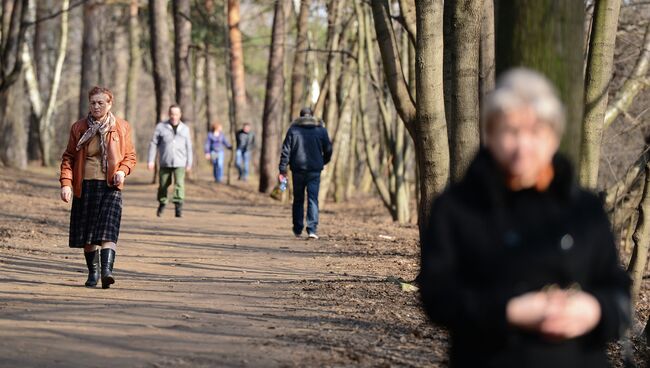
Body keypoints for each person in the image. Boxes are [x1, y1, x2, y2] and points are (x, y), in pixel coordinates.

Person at [419, 68, 631, 368]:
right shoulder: (457, 207)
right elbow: (437, 297)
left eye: (536, 133)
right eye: (510, 131)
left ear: (555, 138)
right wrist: (510, 311)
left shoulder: (583, 208)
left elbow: (618, 291)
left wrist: (594, 310)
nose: (523, 147)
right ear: (489, 134)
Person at [60, 86, 136, 289]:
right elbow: (68, 157)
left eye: (101, 103)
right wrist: (66, 184)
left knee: (108, 231)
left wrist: (122, 171)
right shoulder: (79, 128)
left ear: (110, 104)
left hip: (111, 185)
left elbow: (130, 156)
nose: (96, 106)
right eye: (93, 102)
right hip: (85, 186)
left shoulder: (121, 127)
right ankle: (93, 273)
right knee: (89, 234)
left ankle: (106, 272)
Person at [278, 107, 332, 239]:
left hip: (297, 169)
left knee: (298, 199)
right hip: (314, 170)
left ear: (300, 116)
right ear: (312, 116)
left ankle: (297, 229)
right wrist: (322, 161)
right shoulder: (321, 130)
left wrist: (282, 168)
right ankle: (312, 229)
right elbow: (329, 149)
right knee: (313, 199)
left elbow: (286, 151)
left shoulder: (293, 130)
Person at [147, 104, 193, 218]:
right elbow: (153, 144)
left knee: (179, 184)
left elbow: (189, 147)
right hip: (165, 161)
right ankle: (162, 203)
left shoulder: (185, 129)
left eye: (176, 114)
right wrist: (151, 160)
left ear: (180, 115)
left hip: (180, 162)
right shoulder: (161, 127)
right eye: (172, 114)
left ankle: (178, 208)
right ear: (169, 114)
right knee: (163, 185)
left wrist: (189, 162)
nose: (174, 116)